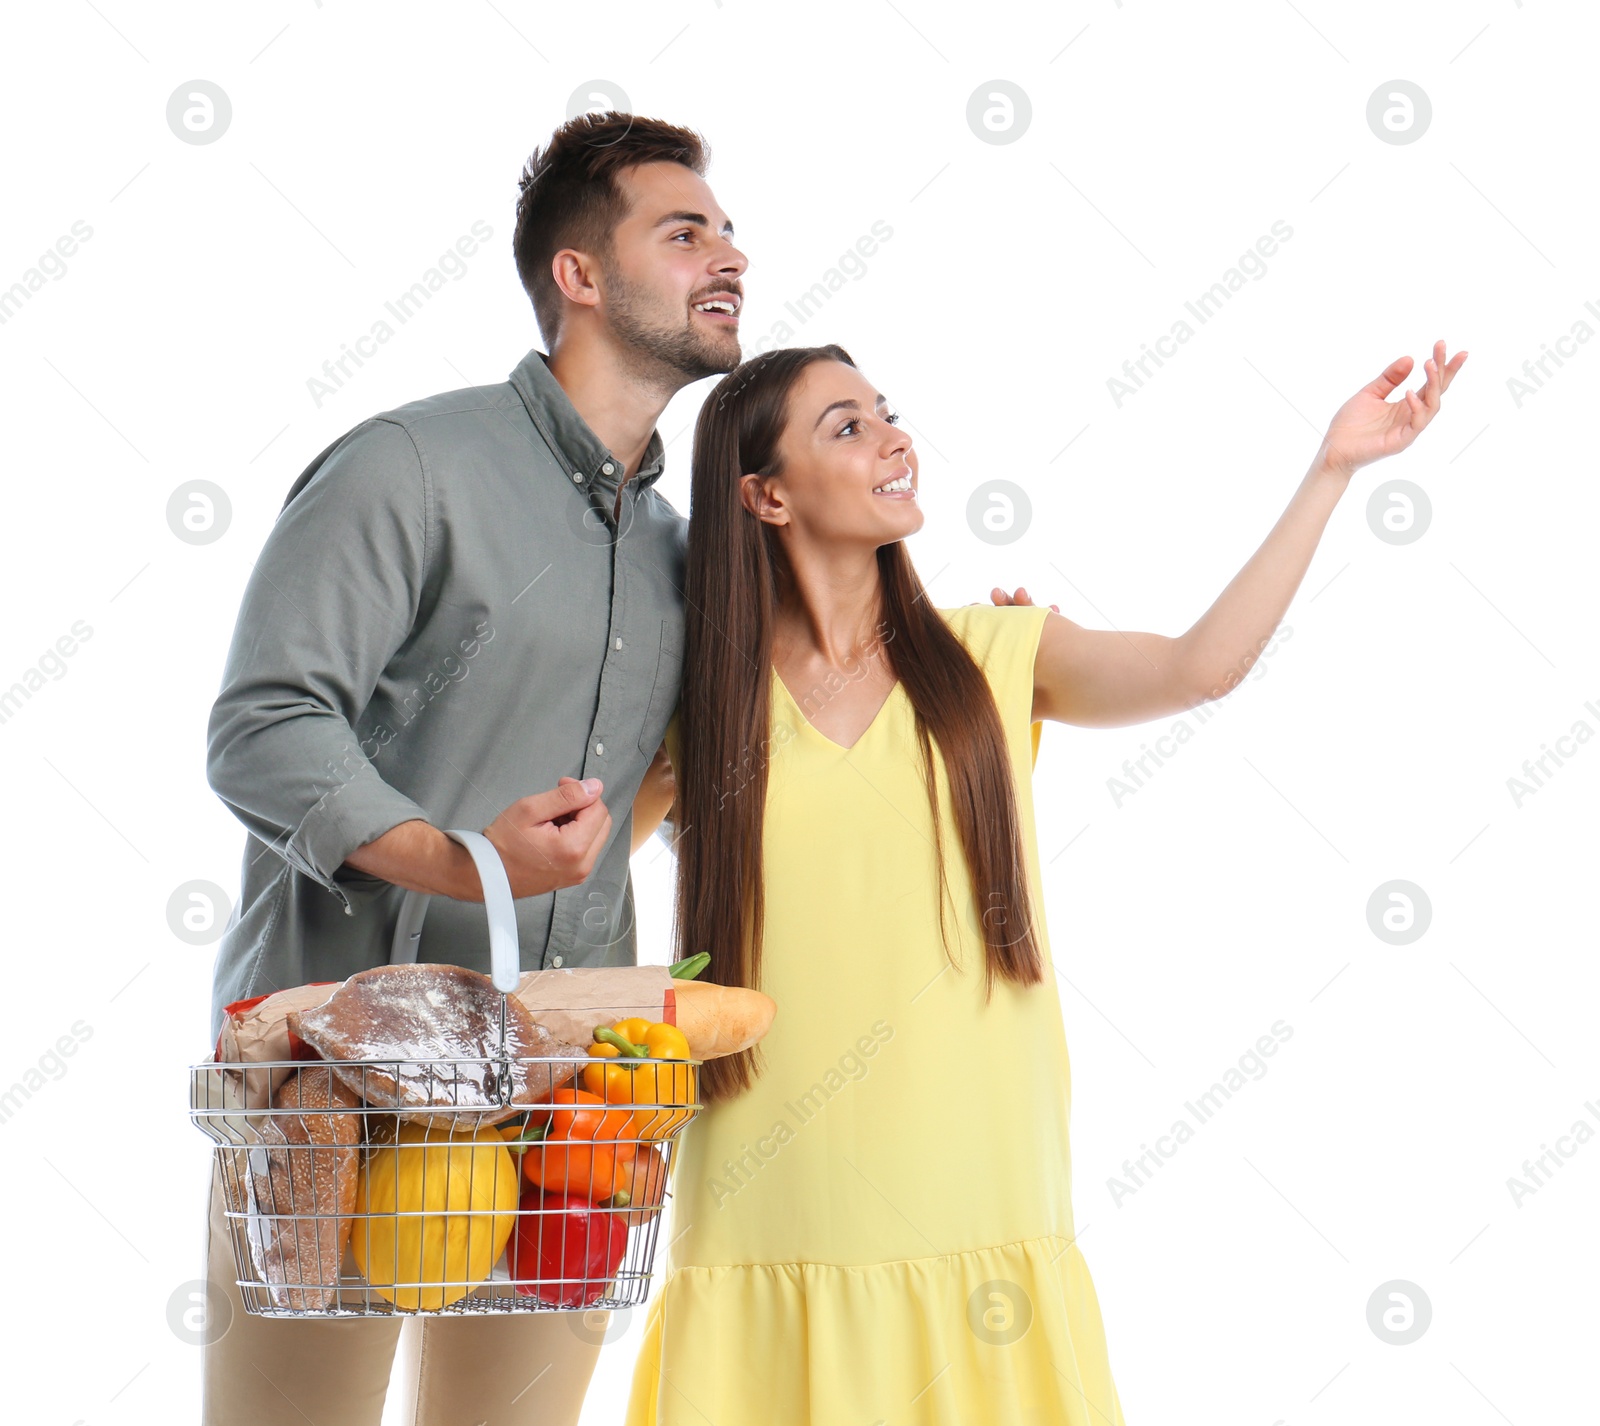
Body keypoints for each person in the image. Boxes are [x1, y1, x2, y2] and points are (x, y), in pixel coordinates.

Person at [624, 339, 1466, 1423]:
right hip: (770, 1188)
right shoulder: (701, 712)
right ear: (766, 495)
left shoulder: (991, 655)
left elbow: (1197, 665)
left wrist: (1331, 469)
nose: (893, 438)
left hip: (977, 1175)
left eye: (887, 410)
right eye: (846, 425)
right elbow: (579, 877)